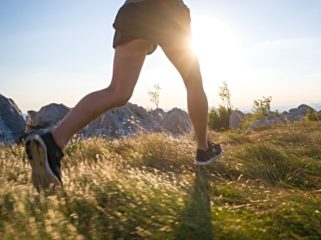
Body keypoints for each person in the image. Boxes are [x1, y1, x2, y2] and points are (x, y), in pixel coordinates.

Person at [24, 0, 222, 190]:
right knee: (194, 83)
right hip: (168, 10)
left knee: (118, 91)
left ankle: (54, 140)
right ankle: (203, 150)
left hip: (132, 11)